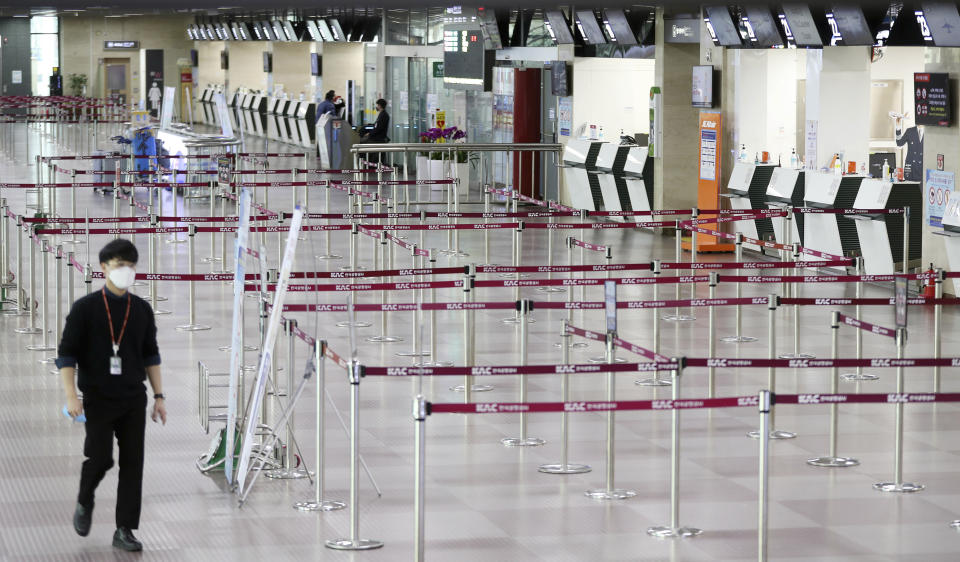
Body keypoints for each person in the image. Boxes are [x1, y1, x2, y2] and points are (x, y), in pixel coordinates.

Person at [58, 239, 165, 552]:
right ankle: (84, 498)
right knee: (100, 457)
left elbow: (151, 355)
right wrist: (71, 397)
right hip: (98, 397)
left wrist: (159, 396)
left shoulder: (141, 309)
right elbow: (66, 356)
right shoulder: (85, 309)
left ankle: (125, 529)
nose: (126, 272)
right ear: (104, 268)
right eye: (119, 266)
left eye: (130, 266)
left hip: (133, 397)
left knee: (133, 464)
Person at [359, 98, 390, 164]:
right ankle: (366, 162)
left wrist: (369, 134)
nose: (376, 107)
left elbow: (379, 128)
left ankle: (365, 163)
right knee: (363, 142)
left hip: (378, 138)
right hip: (377, 137)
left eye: (377, 105)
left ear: (380, 105)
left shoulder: (384, 115)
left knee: (362, 143)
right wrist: (370, 125)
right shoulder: (382, 114)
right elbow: (377, 125)